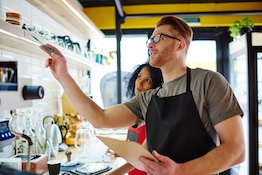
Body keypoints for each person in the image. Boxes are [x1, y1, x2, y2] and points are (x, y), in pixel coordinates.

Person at [41, 15, 245, 175]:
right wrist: (64, 76)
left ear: (180, 45)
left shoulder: (208, 81)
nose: (150, 44)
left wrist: (180, 171)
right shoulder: (148, 98)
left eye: (158, 38)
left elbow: (237, 149)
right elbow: (99, 118)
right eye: (150, 39)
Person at [107, 63, 163, 175]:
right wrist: (121, 151)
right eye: (139, 77)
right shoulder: (136, 112)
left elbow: (141, 157)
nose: (140, 82)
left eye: (148, 80)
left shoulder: (155, 117)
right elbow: (135, 145)